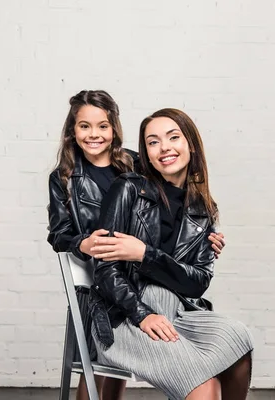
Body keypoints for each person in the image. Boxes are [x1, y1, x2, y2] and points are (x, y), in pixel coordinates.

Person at [47, 91, 226, 400]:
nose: (94, 135)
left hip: (136, 271)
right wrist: (83, 243)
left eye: (103, 126)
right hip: (96, 277)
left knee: (122, 366)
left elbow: (171, 206)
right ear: (72, 131)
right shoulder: (63, 178)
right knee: (97, 367)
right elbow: (59, 234)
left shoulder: (136, 164)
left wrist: (201, 237)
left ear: (114, 129)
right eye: (84, 127)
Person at [88, 108, 254, 400]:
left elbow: (198, 281)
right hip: (126, 314)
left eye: (173, 137)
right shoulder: (128, 189)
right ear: (147, 155)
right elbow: (105, 271)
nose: (164, 147)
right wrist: (143, 314)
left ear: (190, 143)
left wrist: (144, 254)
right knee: (205, 385)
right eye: (153, 142)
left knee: (238, 338)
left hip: (178, 311)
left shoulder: (203, 209)